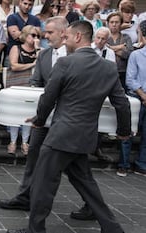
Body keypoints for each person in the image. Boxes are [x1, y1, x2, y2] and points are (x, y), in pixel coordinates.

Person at [7, 20, 131, 233]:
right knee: (85, 183)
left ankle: (35, 230)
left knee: (43, 184)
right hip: (85, 137)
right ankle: (112, 228)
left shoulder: (65, 63)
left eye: (67, 37)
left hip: (61, 135)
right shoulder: (109, 68)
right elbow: (122, 104)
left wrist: (38, 120)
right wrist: (123, 132)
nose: (65, 41)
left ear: (78, 37)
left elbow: (48, 98)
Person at [0, 15, 68, 211]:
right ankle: (25, 196)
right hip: (42, 117)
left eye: (50, 32)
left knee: (75, 167)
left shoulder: (73, 56)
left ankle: (91, 205)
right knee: (33, 156)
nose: (45, 36)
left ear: (63, 33)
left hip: (65, 119)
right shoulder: (44, 55)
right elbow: (35, 82)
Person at [6, 25, 40, 155]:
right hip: (16, 83)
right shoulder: (16, 48)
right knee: (15, 113)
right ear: (25, 35)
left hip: (31, 86)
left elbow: (41, 64)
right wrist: (32, 64)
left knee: (29, 113)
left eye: (38, 36)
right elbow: (13, 65)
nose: (35, 38)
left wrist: (37, 49)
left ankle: (25, 142)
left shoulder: (39, 50)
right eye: (33, 35)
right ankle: (13, 141)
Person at [119, 20, 146, 177]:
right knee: (129, 132)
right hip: (136, 97)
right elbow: (130, 79)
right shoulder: (136, 55)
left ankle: (141, 164)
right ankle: (124, 163)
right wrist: (143, 95)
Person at [107, 12, 133, 92]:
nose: (114, 24)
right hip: (106, 73)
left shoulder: (126, 37)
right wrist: (120, 47)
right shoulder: (104, 37)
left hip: (122, 72)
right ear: (108, 24)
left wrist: (110, 48)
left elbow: (128, 54)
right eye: (112, 22)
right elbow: (102, 51)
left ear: (121, 24)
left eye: (117, 22)